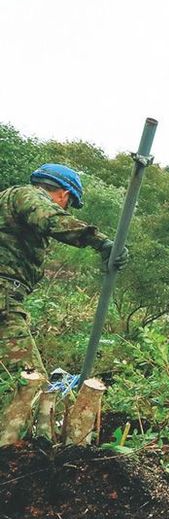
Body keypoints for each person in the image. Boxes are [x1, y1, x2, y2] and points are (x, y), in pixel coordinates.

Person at [0, 165, 127, 412]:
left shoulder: (9, 200)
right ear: (64, 195)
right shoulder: (28, 196)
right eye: (68, 204)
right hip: (3, 297)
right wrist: (100, 242)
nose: (64, 208)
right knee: (31, 385)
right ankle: (18, 448)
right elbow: (50, 218)